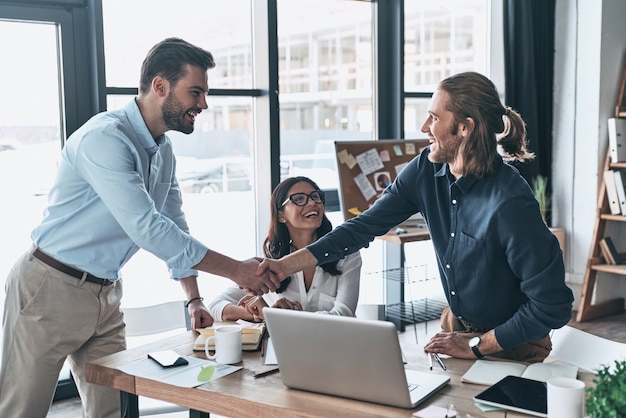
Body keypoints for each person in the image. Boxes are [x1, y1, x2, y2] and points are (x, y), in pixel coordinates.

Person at [0, 37, 278, 418]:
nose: (203, 104)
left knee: (113, 410)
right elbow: (146, 228)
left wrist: (193, 298)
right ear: (160, 86)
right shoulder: (105, 139)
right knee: (22, 410)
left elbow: (173, 220)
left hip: (105, 294)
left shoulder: (162, 150)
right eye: (195, 92)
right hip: (48, 289)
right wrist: (237, 270)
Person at [257, 71, 574, 364]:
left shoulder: (511, 203)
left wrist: (478, 345)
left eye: (434, 117)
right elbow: (362, 228)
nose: (424, 128)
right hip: (459, 330)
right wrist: (283, 266)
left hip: (511, 343)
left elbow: (552, 307)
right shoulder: (426, 168)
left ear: (464, 127)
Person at [208, 176, 362, 322]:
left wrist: (282, 317)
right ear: (281, 215)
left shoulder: (347, 254)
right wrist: (262, 313)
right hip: (283, 349)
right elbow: (215, 306)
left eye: (316, 197)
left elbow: (344, 315)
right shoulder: (269, 265)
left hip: (338, 347)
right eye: (299, 199)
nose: (312, 203)